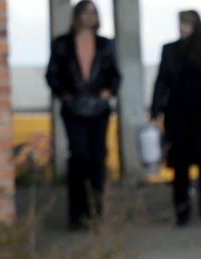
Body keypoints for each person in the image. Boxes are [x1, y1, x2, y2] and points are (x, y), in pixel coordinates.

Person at [150, 10, 201, 226]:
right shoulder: (169, 50)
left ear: (196, 26)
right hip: (177, 118)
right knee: (180, 167)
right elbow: (161, 82)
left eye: (187, 24)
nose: (182, 28)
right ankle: (182, 213)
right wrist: (153, 112)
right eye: (181, 24)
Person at [45, 0, 121, 230]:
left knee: (98, 158)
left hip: (98, 109)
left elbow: (115, 74)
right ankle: (76, 215)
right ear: (77, 15)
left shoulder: (106, 44)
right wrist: (64, 94)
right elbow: (52, 74)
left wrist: (108, 92)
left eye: (93, 12)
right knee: (79, 158)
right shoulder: (62, 44)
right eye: (85, 12)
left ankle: (96, 213)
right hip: (74, 109)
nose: (90, 16)